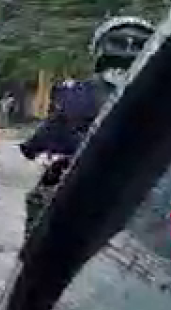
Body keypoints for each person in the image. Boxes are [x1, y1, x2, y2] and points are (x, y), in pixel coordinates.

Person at [19, 16, 155, 237]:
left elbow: (42, 138)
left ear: (100, 51)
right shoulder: (166, 96)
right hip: (144, 198)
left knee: (39, 202)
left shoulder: (75, 94)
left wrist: (31, 149)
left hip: (84, 194)